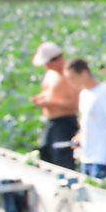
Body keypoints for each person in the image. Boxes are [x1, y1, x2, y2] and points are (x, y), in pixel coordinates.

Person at [64, 57, 106, 180]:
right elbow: (88, 122)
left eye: (72, 78)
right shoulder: (84, 94)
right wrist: (80, 136)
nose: (71, 82)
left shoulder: (104, 92)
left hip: (102, 158)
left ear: (84, 73)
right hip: (86, 157)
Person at [30, 41, 80, 170]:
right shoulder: (51, 73)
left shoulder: (69, 76)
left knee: (62, 159)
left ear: (57, 59)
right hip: (52, 123)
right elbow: (52, 92)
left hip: (64, 124)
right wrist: (41, 97)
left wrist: (47, 103)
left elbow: (74, 104)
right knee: (47, 155)